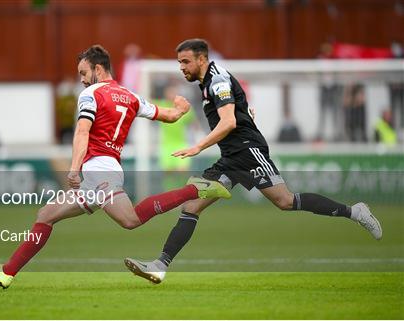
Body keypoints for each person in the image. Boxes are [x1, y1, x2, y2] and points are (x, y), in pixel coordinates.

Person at [124, 39, 383, 284]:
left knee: (285, 201)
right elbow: (238, 111)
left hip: (248, 151)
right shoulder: (209, 81)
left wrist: (198, 146)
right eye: (179, 62)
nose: (181, 68)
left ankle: (355, 211)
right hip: (231, 157)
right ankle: (160, 266)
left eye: (185, 62)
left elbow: (229, 122)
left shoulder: (217, 81)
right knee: (191, 206)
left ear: (202, 59)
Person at [0, 45, 231, 289]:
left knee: (129, 220)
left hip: (99, 169)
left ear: (98, 70)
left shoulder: (91, 94)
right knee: (46, 214)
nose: (81, 79)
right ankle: (7, 273)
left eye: (83, 73)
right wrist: (180, 108)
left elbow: (82, 131)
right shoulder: (130, 95)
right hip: (101, 170)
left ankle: (195, 189)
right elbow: (168, 115)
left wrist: (74, 167)